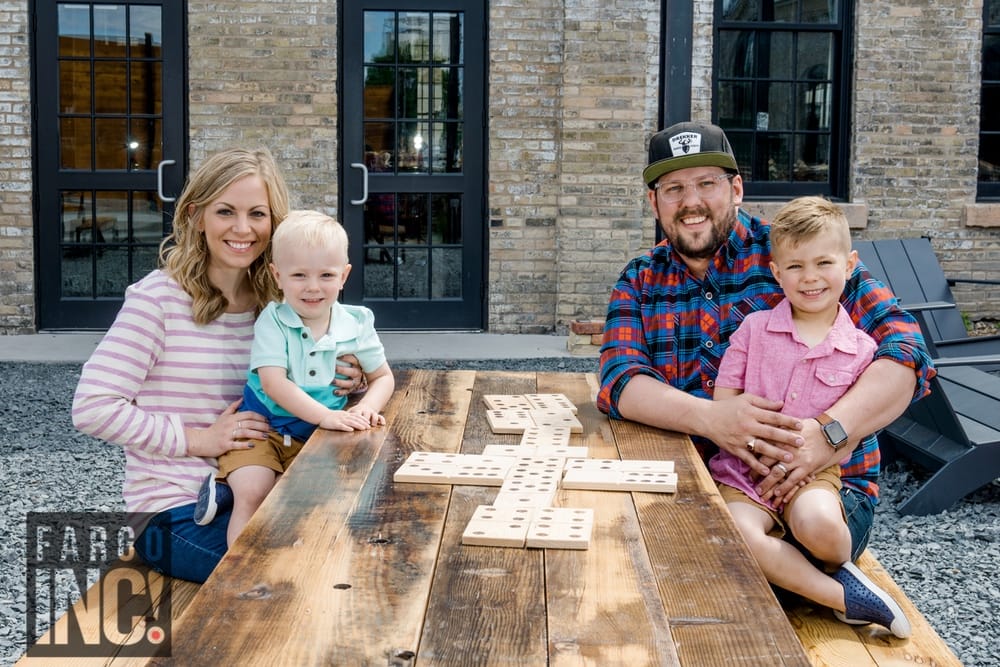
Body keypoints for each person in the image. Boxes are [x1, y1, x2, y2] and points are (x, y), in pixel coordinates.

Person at [597, 121, 935, 635]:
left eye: (706, 183)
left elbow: (906, 354)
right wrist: (713, 419)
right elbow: (620, 380)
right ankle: (839, 594)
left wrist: (827, 435)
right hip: (722, 488)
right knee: (627, 563)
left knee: (700, 578)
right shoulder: (641, 277)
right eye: (674, 188)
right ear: (655, 202)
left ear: (736, 188)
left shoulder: (798, 254)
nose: (691, 201)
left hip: (827, 490)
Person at [71, 148, 365, 583]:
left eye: (258, 214)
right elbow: (92, 408)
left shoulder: (280, 305)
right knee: (296, 576)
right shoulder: (157, 302)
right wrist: (198, 439)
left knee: (362, 548)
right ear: (196, 216)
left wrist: (350, 376)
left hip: (264, 486)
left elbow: (300, 387)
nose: (242, 229)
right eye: (225, 211)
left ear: (274, 224)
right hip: (175, 509)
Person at [709, 196, 909, 637]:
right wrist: (752, 445)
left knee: (820, 527)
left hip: (816, 475)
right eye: (795, 266)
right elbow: (725, 405)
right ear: (777, 272)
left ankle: (832, 565)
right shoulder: (754, 329)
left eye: (824, 262)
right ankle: (844, 597)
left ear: (850, 264)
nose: (811, 277)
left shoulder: (862, 350)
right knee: (736, 534)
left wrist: (809, 464)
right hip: (747, 471)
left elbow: (854, 431)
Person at [194, 210, 395, 546]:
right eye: (299, 275)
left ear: (344, 275)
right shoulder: (273, 321)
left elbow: (382, 376)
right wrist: (328, 416)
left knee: (328, 498)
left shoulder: (356, 324)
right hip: (264, 429)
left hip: (316, 435)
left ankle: (297, 558)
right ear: (277, 275)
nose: (313, 287)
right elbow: (274, 383)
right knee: (256, 491)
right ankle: (239, 574)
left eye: (326, 275)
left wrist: (365, 408)